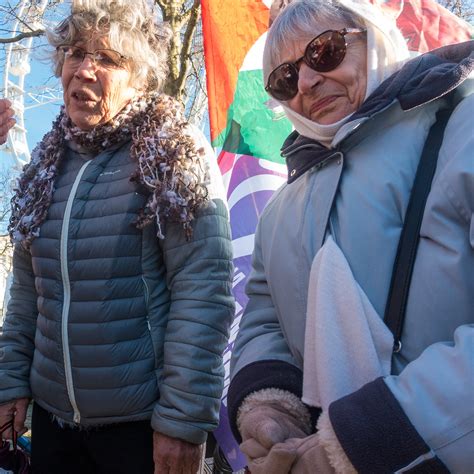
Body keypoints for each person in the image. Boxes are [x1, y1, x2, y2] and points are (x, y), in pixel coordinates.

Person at [227, 0, 474, 473]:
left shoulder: (464, 126)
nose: (305, 82)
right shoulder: (279, 212)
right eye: (283, 79)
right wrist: (269, 407)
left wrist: (367, 438)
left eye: (324, 51)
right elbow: (266, 324)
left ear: (375, 38)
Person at [0, 1, 234, 473]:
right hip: (51, 427)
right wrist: (9, 384)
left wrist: (183, 422)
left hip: (142, 431)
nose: (84, 70)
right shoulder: (42, 170)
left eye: (107, 59)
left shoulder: (173, 154)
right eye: (74, 52)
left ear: (140, 78)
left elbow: (203, 292)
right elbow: (28, 293)